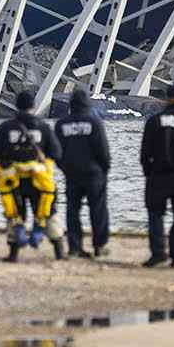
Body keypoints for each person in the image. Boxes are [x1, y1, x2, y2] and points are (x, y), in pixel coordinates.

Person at [0, 89, 64, 263]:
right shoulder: (43, 127)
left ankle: (13, 253)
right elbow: (57, 153)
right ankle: (59, 250)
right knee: (48, 212)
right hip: (39, 181)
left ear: (16, 106)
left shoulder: (5, 128)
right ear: (33, 106)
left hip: (13, 180)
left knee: (14, 213)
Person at [139, 83, 174, 268]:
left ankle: (157, 253)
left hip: (158, 175)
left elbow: (145, 151)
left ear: (165, 97)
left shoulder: (155, 120)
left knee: (155, 215)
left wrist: (148, 172)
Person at [55, 87, 112, 258]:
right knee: (98, 210)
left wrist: (64, 168)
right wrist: (104, 169)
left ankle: (74, 247)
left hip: (72, 174)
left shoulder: (61, 124)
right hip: (94, 173)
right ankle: (99, 246)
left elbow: (56, 151)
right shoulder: (94, 122)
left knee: (72, 210)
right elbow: (102, 149)